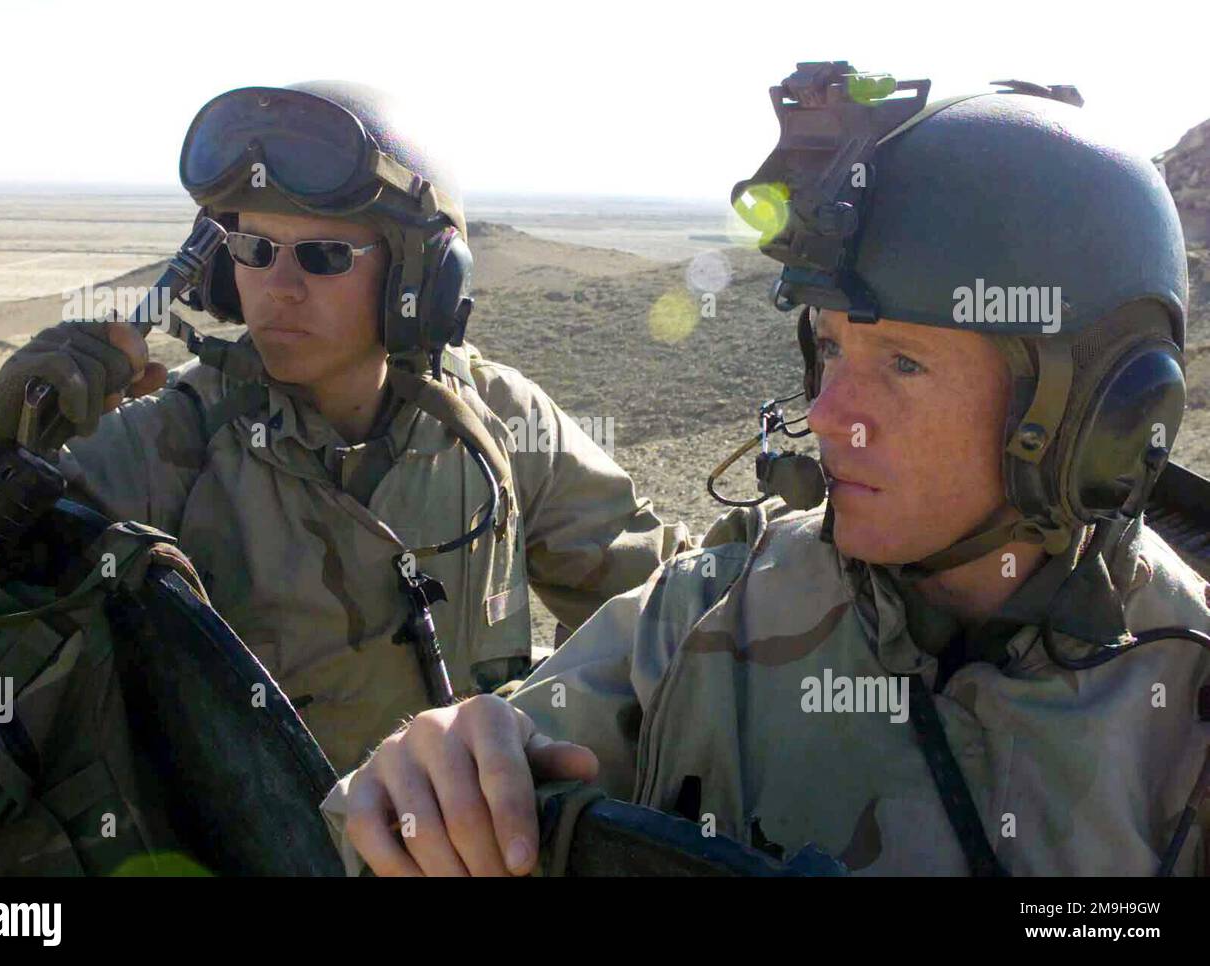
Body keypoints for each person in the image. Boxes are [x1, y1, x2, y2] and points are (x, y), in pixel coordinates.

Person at [326, 65, 1210, 876]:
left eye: (903, 363)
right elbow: (478, 774)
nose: (826, 415)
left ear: (1093, 415)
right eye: (829, 348)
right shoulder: (710, 607)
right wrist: (437, 771)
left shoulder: (1186, 702)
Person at [0, 81, 691, 773]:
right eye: (252, 249)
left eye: (321, 256)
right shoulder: (168, 443)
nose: (276, 290)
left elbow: (674, 612)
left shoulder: (498, 425)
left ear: (418, 278)